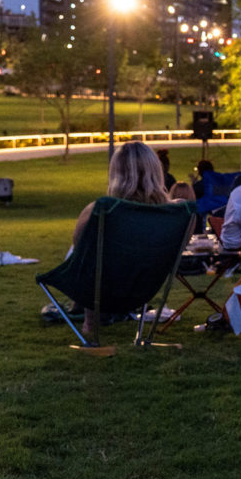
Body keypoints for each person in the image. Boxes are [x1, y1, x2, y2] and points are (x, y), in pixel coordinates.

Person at [70, 141, 172, 343]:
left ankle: (90, 322)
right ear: (156, 171)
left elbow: (80, 252)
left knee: (86, 257)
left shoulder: (98, 210)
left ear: (116, 173)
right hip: (145, 287)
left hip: (103, 290)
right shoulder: (174, 213)